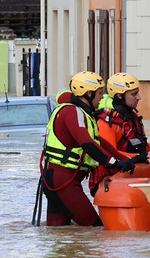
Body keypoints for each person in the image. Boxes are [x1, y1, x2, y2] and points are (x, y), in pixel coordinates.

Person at [40, 71, 135, 226]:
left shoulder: (82, 112)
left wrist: (126, 160)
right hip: (63, 182)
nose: (102, 98)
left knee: (58, 233)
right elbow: (87, 144)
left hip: (58, 180)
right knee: (95, 228)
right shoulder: (72, 112)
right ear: (89, 94)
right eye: (99, 93)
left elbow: (99, 142)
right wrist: (112, 162)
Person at [89, 72, 150, 194]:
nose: (139, 97)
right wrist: (139, 157)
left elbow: (142, 146)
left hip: (129, 174)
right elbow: (109, 153)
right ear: (120, 96)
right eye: (134, 94)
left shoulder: (131, 117)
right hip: (110, 179)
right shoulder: (107, 122)